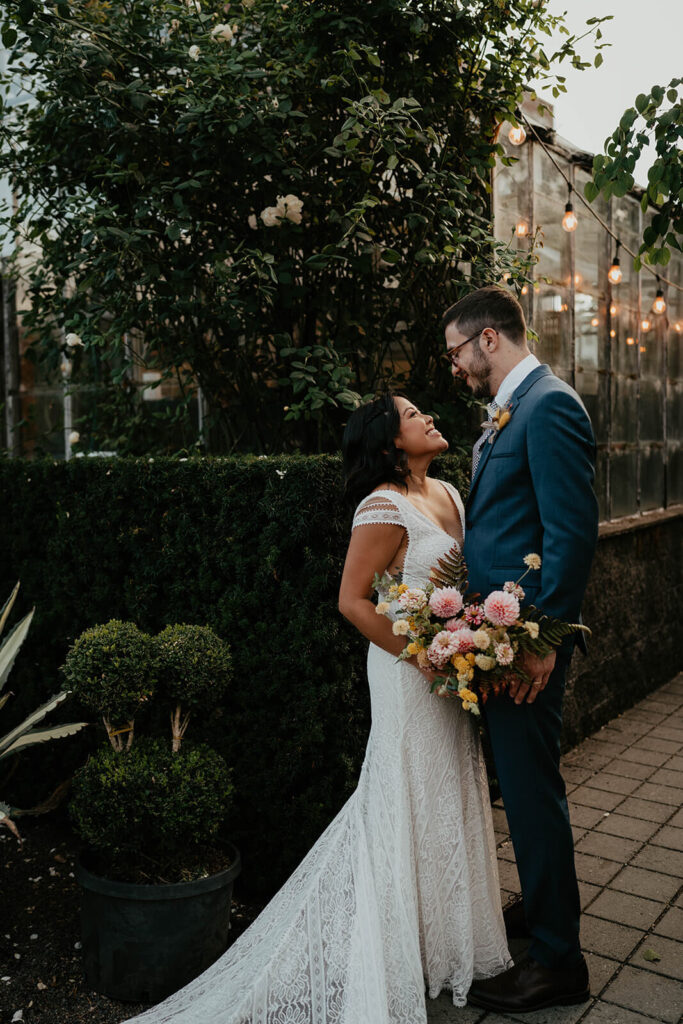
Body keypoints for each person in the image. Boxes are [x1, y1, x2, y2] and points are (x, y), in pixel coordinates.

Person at [122, 393, 511, 1024]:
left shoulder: (449, 492)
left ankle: (436, 942)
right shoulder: (381, 506)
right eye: (414, 415)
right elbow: (354, 602)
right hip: (409, 673)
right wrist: (426, 657)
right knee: (402, 791)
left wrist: (473, 640)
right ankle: (378, 940)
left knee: (446, 789)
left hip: (450, 666)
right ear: (389, 440)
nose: (430, 418)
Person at [443, 284, 599, 1014]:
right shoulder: (512, 408)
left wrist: (544, 642)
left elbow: (570, 532)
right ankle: (543, 914)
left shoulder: (549, 405)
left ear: (488, 339)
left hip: (526, 646)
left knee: (532, 793)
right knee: (524, 785)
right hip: (499, 639)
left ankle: (557, 960)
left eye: (454, 351)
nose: (452, 368)